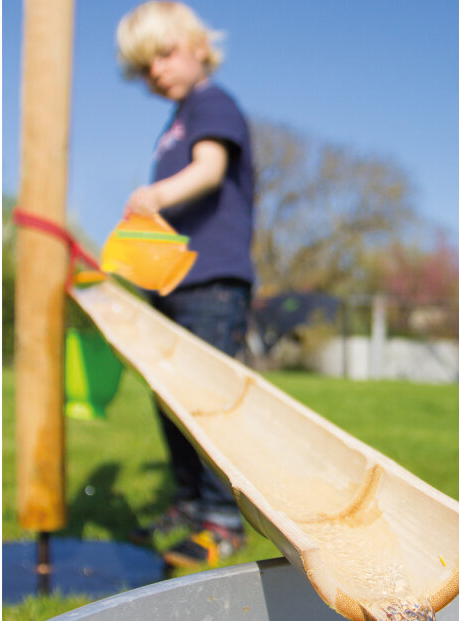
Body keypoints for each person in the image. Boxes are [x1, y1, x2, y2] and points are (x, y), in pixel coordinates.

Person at [116, 1, 255, 568]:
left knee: (208, 401)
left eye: (165, 54)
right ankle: (188, 504)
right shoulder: (172, 122)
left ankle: (223, 520)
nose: (157, 71)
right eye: (145, 65)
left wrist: (156, 195)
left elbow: (210, 170)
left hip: (212, 281)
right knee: (171, 401)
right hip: (173, 281)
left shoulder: (211, 102)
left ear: (199, 46)